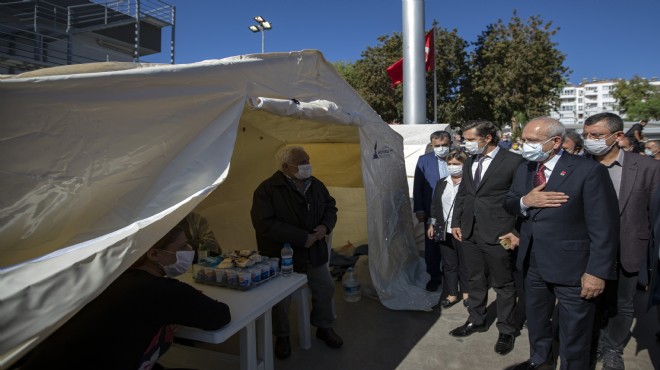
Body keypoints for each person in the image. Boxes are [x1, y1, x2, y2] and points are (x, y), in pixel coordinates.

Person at [21, 226, 232, 370]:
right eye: (181, 247)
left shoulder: (113, 278)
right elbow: (220, 316)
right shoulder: (159, 291)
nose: (189, 251)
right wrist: (175, 310)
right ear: (153, 254)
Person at [503, 117, 619, 370]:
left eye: (531, 141)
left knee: (575, 332)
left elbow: (604, 227)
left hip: (574, 269)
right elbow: (510, 202)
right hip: (533, 263)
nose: (525, 145)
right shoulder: (525, 168)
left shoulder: (588, 170)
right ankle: (540, 360)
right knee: (537, 321)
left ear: (555, 142)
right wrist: (526, 201)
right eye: (524, 140)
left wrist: (597, 272)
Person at [581, 112, 660, 370]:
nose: (589, 140)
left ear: (617, 137)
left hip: (628, 247)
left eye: (596, 135)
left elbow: (653, 213)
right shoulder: (576, 165)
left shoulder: (648, 167)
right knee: (588, 303)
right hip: (586, 251)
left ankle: (613, 348)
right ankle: (589, 344)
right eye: (586, 135)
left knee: (622, 304)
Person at [250, 146, 341, 359]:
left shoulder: (316, 185)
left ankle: (323, 326)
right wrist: (301, 237)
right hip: (282, 257)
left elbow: (330, 207)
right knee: (281, 301)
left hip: (314, 254)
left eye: (307, 160)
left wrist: (325, 227)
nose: (307, 164)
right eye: (301, 161)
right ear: (285, 167)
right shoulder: (267, 189)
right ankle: (282, 336)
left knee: (325, 287)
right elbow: (264, 223)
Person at [449, 120, 525, 356]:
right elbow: (464, 193)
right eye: (465, 139)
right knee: (475, 280)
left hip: (500, 233)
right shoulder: (471, 160)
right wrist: (456, 222)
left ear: (488, 138)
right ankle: (477, 319)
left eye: (470, 139)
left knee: (503, 283)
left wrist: (515, 231)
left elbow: (522, 200)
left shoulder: (514, 161)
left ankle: (506, 329)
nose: (466, 144)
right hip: (470, 232)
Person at [427, 149, 470, 308]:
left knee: (465, 263)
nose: (453, 167)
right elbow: (434, 206)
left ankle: (466, 293)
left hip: (463, 229)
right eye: (450, 164)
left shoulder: (471, 184)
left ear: (464, 165)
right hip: (441, 228)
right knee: (449, 263)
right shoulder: (441, 183)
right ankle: (452, 294)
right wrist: (431, 223)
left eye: (457, 164)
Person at [413, 130, 452, 292]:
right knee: (433, 246)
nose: (441, 148)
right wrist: (420, 208)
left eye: (444, 145)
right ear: (432, 145)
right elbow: (418, 187)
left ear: (450, 144)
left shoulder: (459, 159)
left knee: (453, 246)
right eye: (437, 146)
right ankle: (434, 277)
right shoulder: (424, 161)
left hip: (454, 210)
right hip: (434, 213)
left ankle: (453, 278)